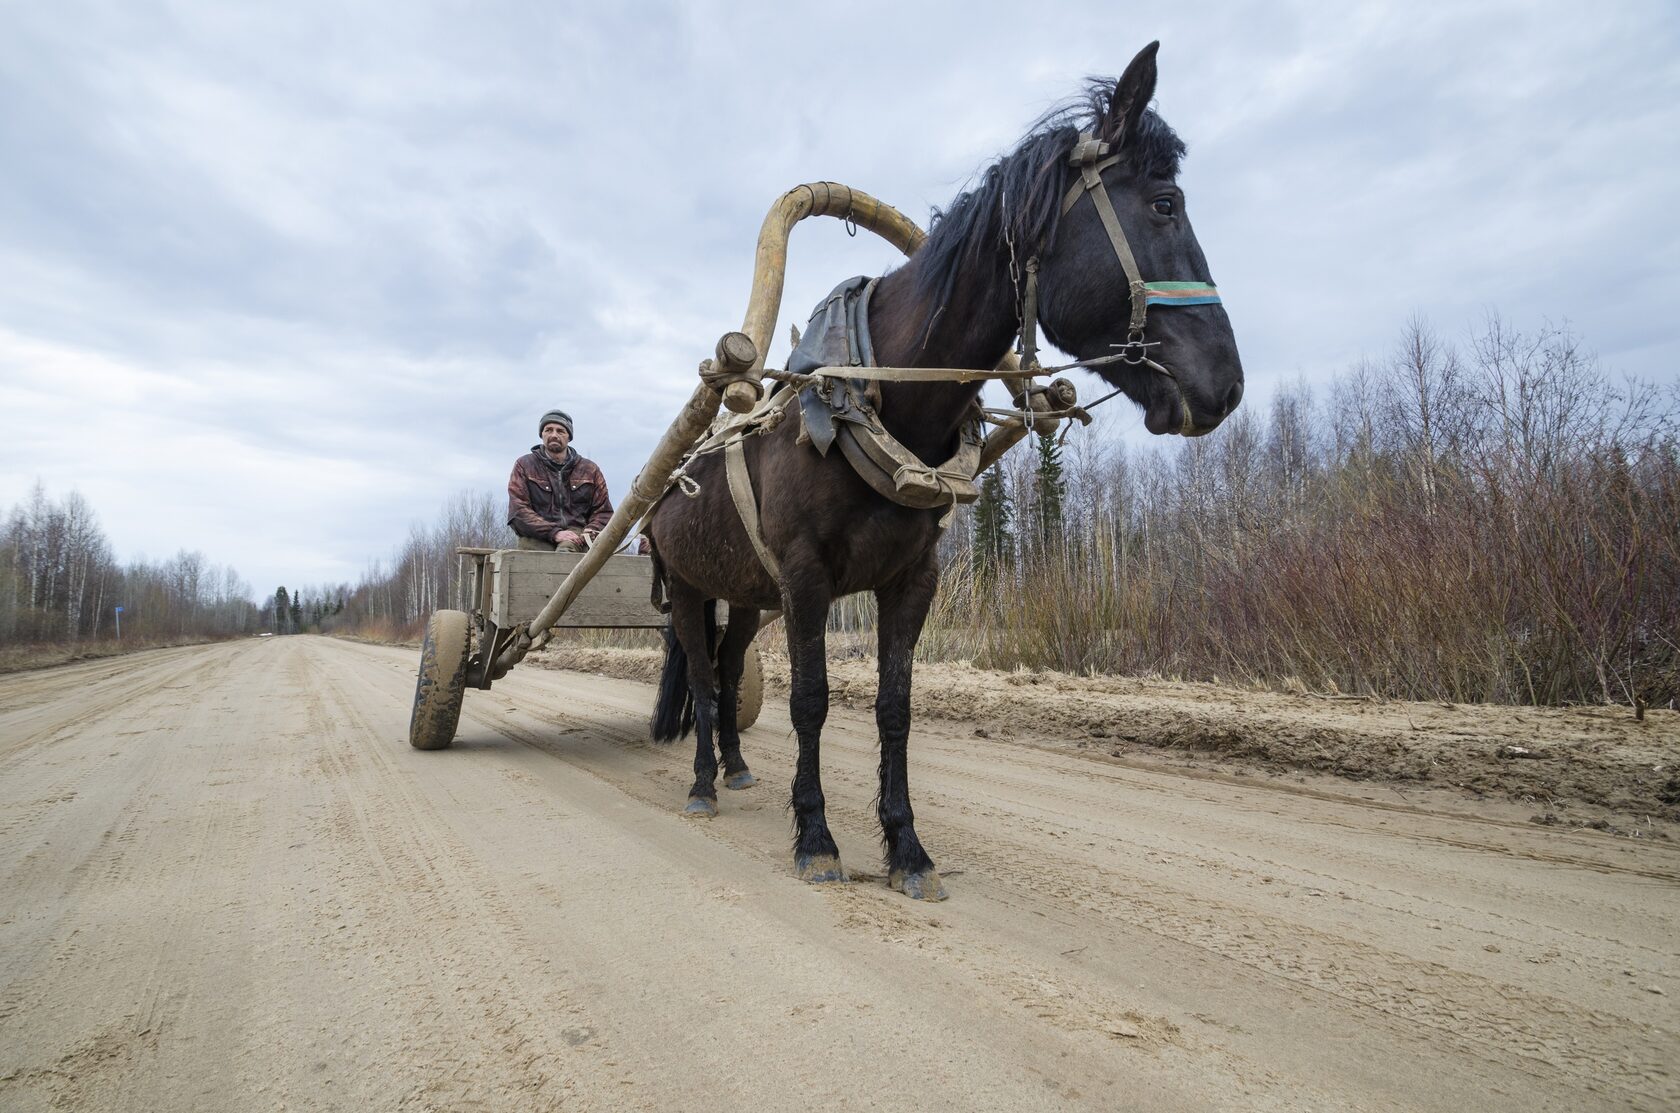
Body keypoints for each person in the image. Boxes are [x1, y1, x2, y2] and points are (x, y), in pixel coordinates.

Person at [507, 409, 613, 551]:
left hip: (578, 537)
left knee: (568, 552)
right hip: (537, 536)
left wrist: (591, 531)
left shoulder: (590, 469)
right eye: (548, 430)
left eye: (560, 431)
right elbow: (518, 511)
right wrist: (554, 533)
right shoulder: (525, 465)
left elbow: (603, 511)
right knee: (532, 560)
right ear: (542, 434)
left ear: (569, 436)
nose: (554, 435)